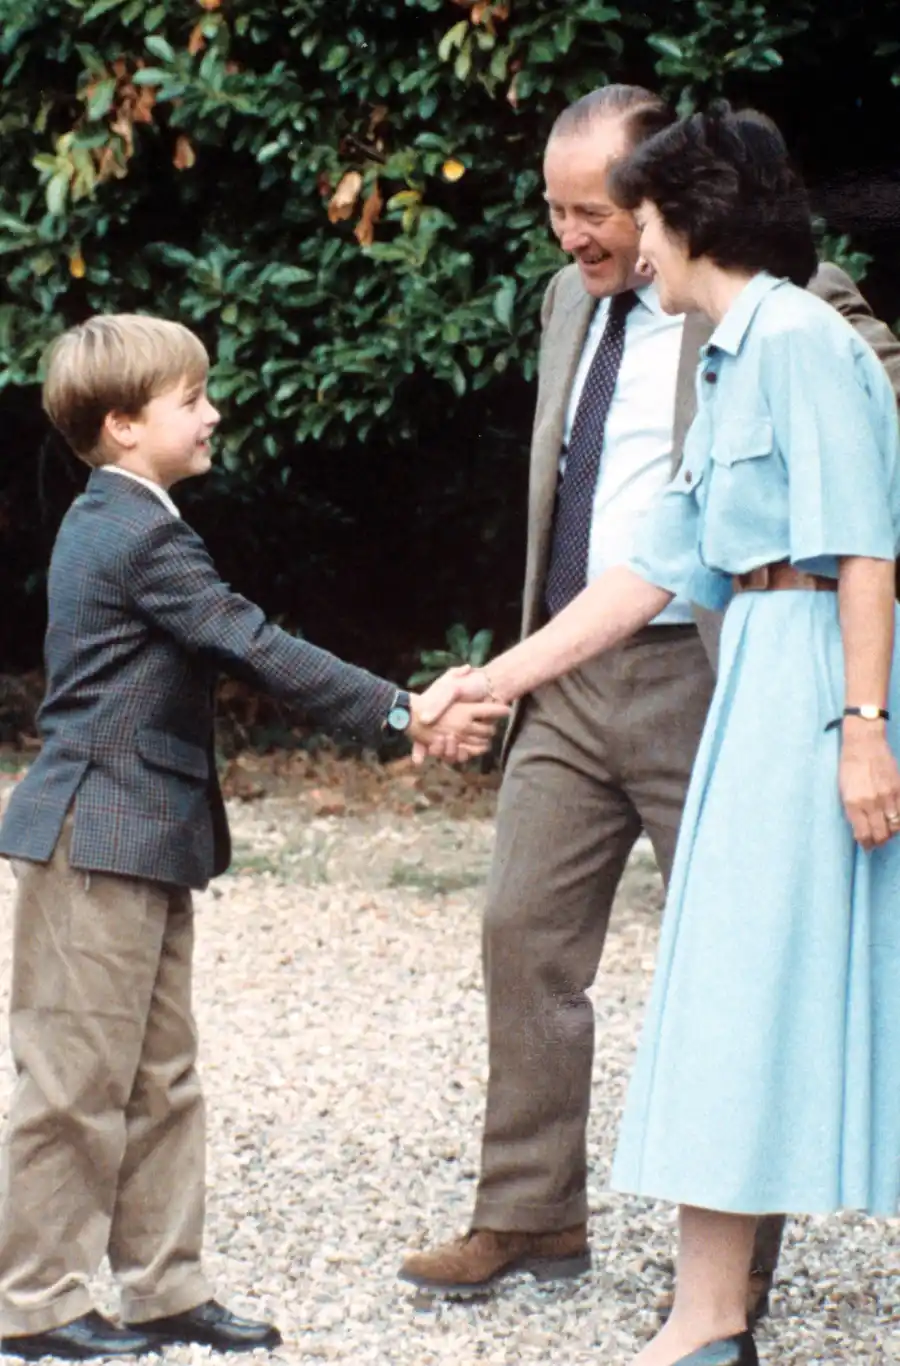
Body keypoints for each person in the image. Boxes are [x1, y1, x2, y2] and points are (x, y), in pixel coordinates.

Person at [398, 83, 900, 1319]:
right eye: (557, 209)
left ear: (668, 210)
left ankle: (730, 1276)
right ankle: (576, 1234)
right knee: (549, 934)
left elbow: (863, 522)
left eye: (603, 211)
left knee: (761, 969)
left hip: (741, 674)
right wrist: (492, 677)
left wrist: (862, 724)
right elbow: (651, 541)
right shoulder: (640, 323)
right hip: (599, 655)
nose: (577, 236)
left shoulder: (795, 326)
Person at [0, 314, 506, 1362]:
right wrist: (405, 709)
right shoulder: (136, 533)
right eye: (191, 399)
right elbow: (253, 643)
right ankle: (36, 1301)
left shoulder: (127, 521)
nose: (213, 412)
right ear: (124, 424)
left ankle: (165, 1287)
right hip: (97, 836)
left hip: (140, 835)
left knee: (160, 1077)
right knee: (74, 1084)